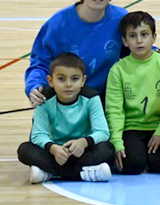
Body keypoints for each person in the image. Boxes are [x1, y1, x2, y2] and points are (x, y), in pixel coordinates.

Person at [25, 0, 127, 105]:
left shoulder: (121, 18)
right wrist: (34, 85)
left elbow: (135, 48)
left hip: (105, 96)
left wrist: (156, 53)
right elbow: (40, 62)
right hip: (67, 95)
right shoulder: (58, 23)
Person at [17, 53, 115, 183]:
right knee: (24, 150)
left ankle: (50, 173)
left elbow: (103, 132)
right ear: (50, 81)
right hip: (55, 151)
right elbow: (38, 135)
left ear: (83, 81)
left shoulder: (92, 98)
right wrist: (53, 148)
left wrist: (84, 142)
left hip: (81, 151)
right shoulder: (44, 100)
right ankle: (84, 174)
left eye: (74, 79)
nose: (68, 84)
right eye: (61, 79)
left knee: (107, 149)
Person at [105, 11, 160, 175]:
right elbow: (114, 109)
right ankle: (140, 156)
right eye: (132, 36)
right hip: (132, 127)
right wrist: (117, 142)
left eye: (144, 34)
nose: (139, 40)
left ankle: (150, 156)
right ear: (124, 41)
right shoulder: (118, 70)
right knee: (132, 165)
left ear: (154, 37)